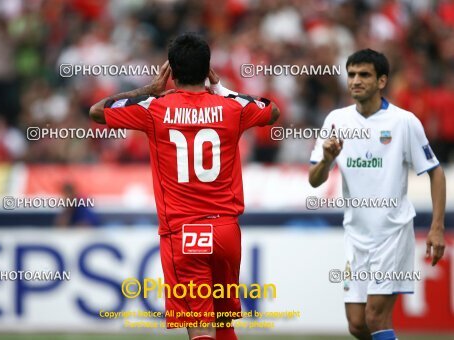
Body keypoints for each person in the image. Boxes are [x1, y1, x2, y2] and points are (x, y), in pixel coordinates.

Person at [89, 33, 279, 340]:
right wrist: (221, 88)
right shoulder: (231, 109)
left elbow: (97, 110)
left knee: (200, 328)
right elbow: (271, 111)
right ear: (207, 70)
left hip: (184, 233)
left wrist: (149, 89)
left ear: (171, 72)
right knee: (223, 322)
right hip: (226, 233)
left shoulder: (154, 108)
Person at [308, 49, 446, 340]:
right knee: (357, 324)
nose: (356, 81)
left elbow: (436, 172)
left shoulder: (403, 122)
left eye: (364, 75)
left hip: (392, 233)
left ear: (382, 81)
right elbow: (314, 180)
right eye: (352, 75)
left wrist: (436, 228)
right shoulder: (336, 120)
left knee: (376, 316)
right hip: (355, 235)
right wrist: (326, 159)